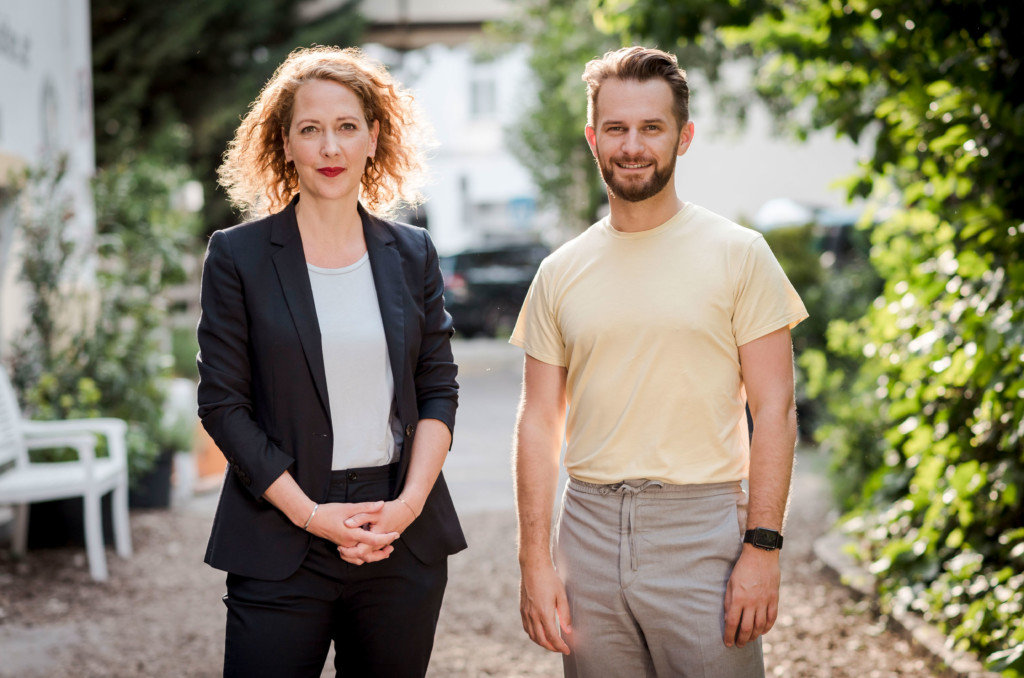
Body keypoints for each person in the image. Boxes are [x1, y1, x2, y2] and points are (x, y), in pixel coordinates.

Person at [510, 46, 808, 677]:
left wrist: (762, 547)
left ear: (684, 136)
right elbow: (538, 420)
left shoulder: (741, 255)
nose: (632, 145)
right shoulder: (558, 272)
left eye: (652, 127)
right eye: (616, 128)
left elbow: (774, 409)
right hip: (586, 530)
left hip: (703, 531)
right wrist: (535, 560)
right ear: (593, 138)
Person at [197, 45, 466, 678]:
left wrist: (405, 507)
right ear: (284, 143)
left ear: (374, 138)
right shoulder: (237, 256)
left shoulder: (412, 252)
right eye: (310, 129)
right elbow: (223, 406)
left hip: (397, 530)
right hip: (280, 527)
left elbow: (438, 389)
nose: (330, 148)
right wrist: (312, 515)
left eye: (347, 127)